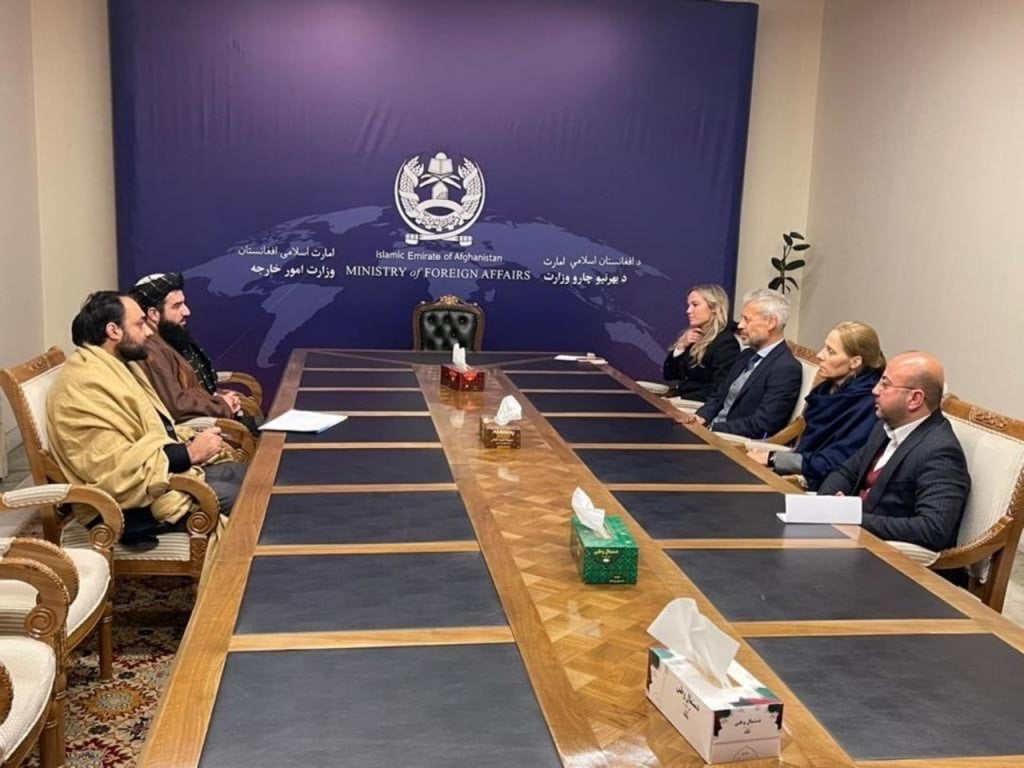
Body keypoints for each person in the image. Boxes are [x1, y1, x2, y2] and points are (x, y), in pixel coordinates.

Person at [46, 291, 246, 549]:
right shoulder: (85, 384)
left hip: (156, 474)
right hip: (125, 508)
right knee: (247, 496)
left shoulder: (115, 366)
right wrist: (189, 454)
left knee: (245, 474)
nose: (149, 332)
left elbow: (150, 434)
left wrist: (188, 446)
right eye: (139, 324)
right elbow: (113, 470)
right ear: (113, 330)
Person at [818, 351, 970, 552]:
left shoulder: (940, 452)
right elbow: (845, 473)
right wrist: (828, 504)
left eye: (885, 384)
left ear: (915, 399)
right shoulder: (885, 426)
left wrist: (851, 517)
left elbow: (933, 530)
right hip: (848, 539)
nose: (875, 390)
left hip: (886, 556)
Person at [748, 321, 884, 490]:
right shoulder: (826, 390)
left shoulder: (869, 402)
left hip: (825, 486)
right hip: (802, 467)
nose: (820, 355)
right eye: (824, 347)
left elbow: (837, 460)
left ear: (855, 362)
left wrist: (773, 458)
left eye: (831, 352)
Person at [130, 272, 258, 433]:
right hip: (197, 429)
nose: (186, 311)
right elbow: (177, 405)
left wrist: (222, 398)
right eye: (177, 306)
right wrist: (221, 404)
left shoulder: (170, 335)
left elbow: (193, 386)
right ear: (153, 314)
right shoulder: (150, 350)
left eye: (184, 304)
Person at [682, 288, 802, 438]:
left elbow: (762, 424)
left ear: (770, 323)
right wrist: (701, 417)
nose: (740, 325)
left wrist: (712, 428)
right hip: (712, 432)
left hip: (731, 442)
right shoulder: (746, 355)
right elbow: (719, 395)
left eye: (747, 320)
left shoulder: (786, 368)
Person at [662, 284, 741, 402]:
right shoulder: (693, 336)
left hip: (699, 406)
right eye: (688, 305)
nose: (688, 311)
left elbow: (719, 388)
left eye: (695, 305)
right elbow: (669, 375)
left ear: (714, 308)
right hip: (684, 401)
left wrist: (680, 399)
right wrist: (681, 347)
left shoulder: (726, 342)